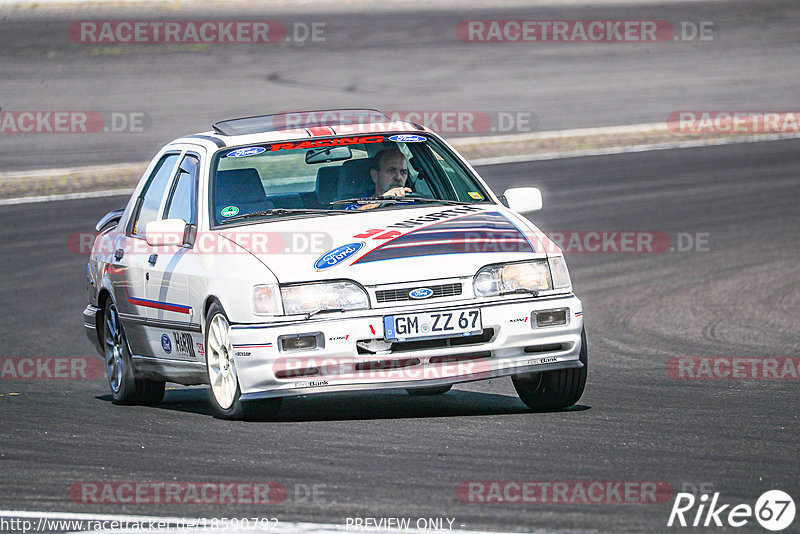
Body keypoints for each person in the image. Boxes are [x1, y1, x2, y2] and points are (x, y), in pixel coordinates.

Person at [344, 148, 412, 210]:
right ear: (375, 175)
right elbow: (347, 220)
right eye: (391, 171)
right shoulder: (357, 204)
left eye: (403, 172)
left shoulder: (414, 203)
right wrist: (382, 201)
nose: (398, 178)